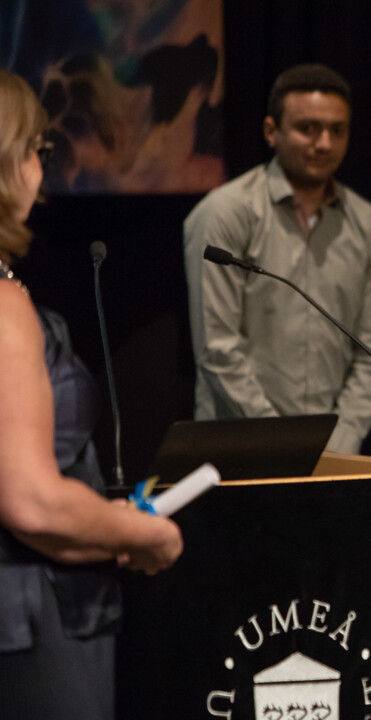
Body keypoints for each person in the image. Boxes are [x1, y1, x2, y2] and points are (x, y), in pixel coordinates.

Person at [0, 67, 183, 719]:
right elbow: (33, 503)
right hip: (26, 623)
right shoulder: (3, 305)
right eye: (33, 151)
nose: (38, 172)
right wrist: (137, 532)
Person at [182, 63, 371, 454]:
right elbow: (218, 350)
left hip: (333, 454)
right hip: (235, 450)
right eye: (308, 129)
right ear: (271, 131)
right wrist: (286, 444)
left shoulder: (368, 224)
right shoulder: (226, 212)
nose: (325, 143)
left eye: (337, 130)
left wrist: (338, 443)